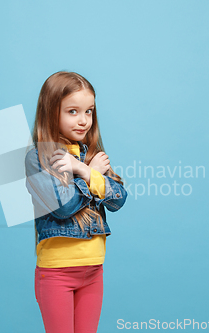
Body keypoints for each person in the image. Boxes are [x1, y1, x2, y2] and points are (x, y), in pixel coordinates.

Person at [24, 71, 128, 333]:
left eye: (89, 111)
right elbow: (63, 207)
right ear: (51, 112)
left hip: (93, 270)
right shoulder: (39, 159)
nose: (84, 121)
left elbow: (118, 199)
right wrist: (89, 174)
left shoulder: (91, 156)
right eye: (73, 111)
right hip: (57, 272)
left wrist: (84, 170)